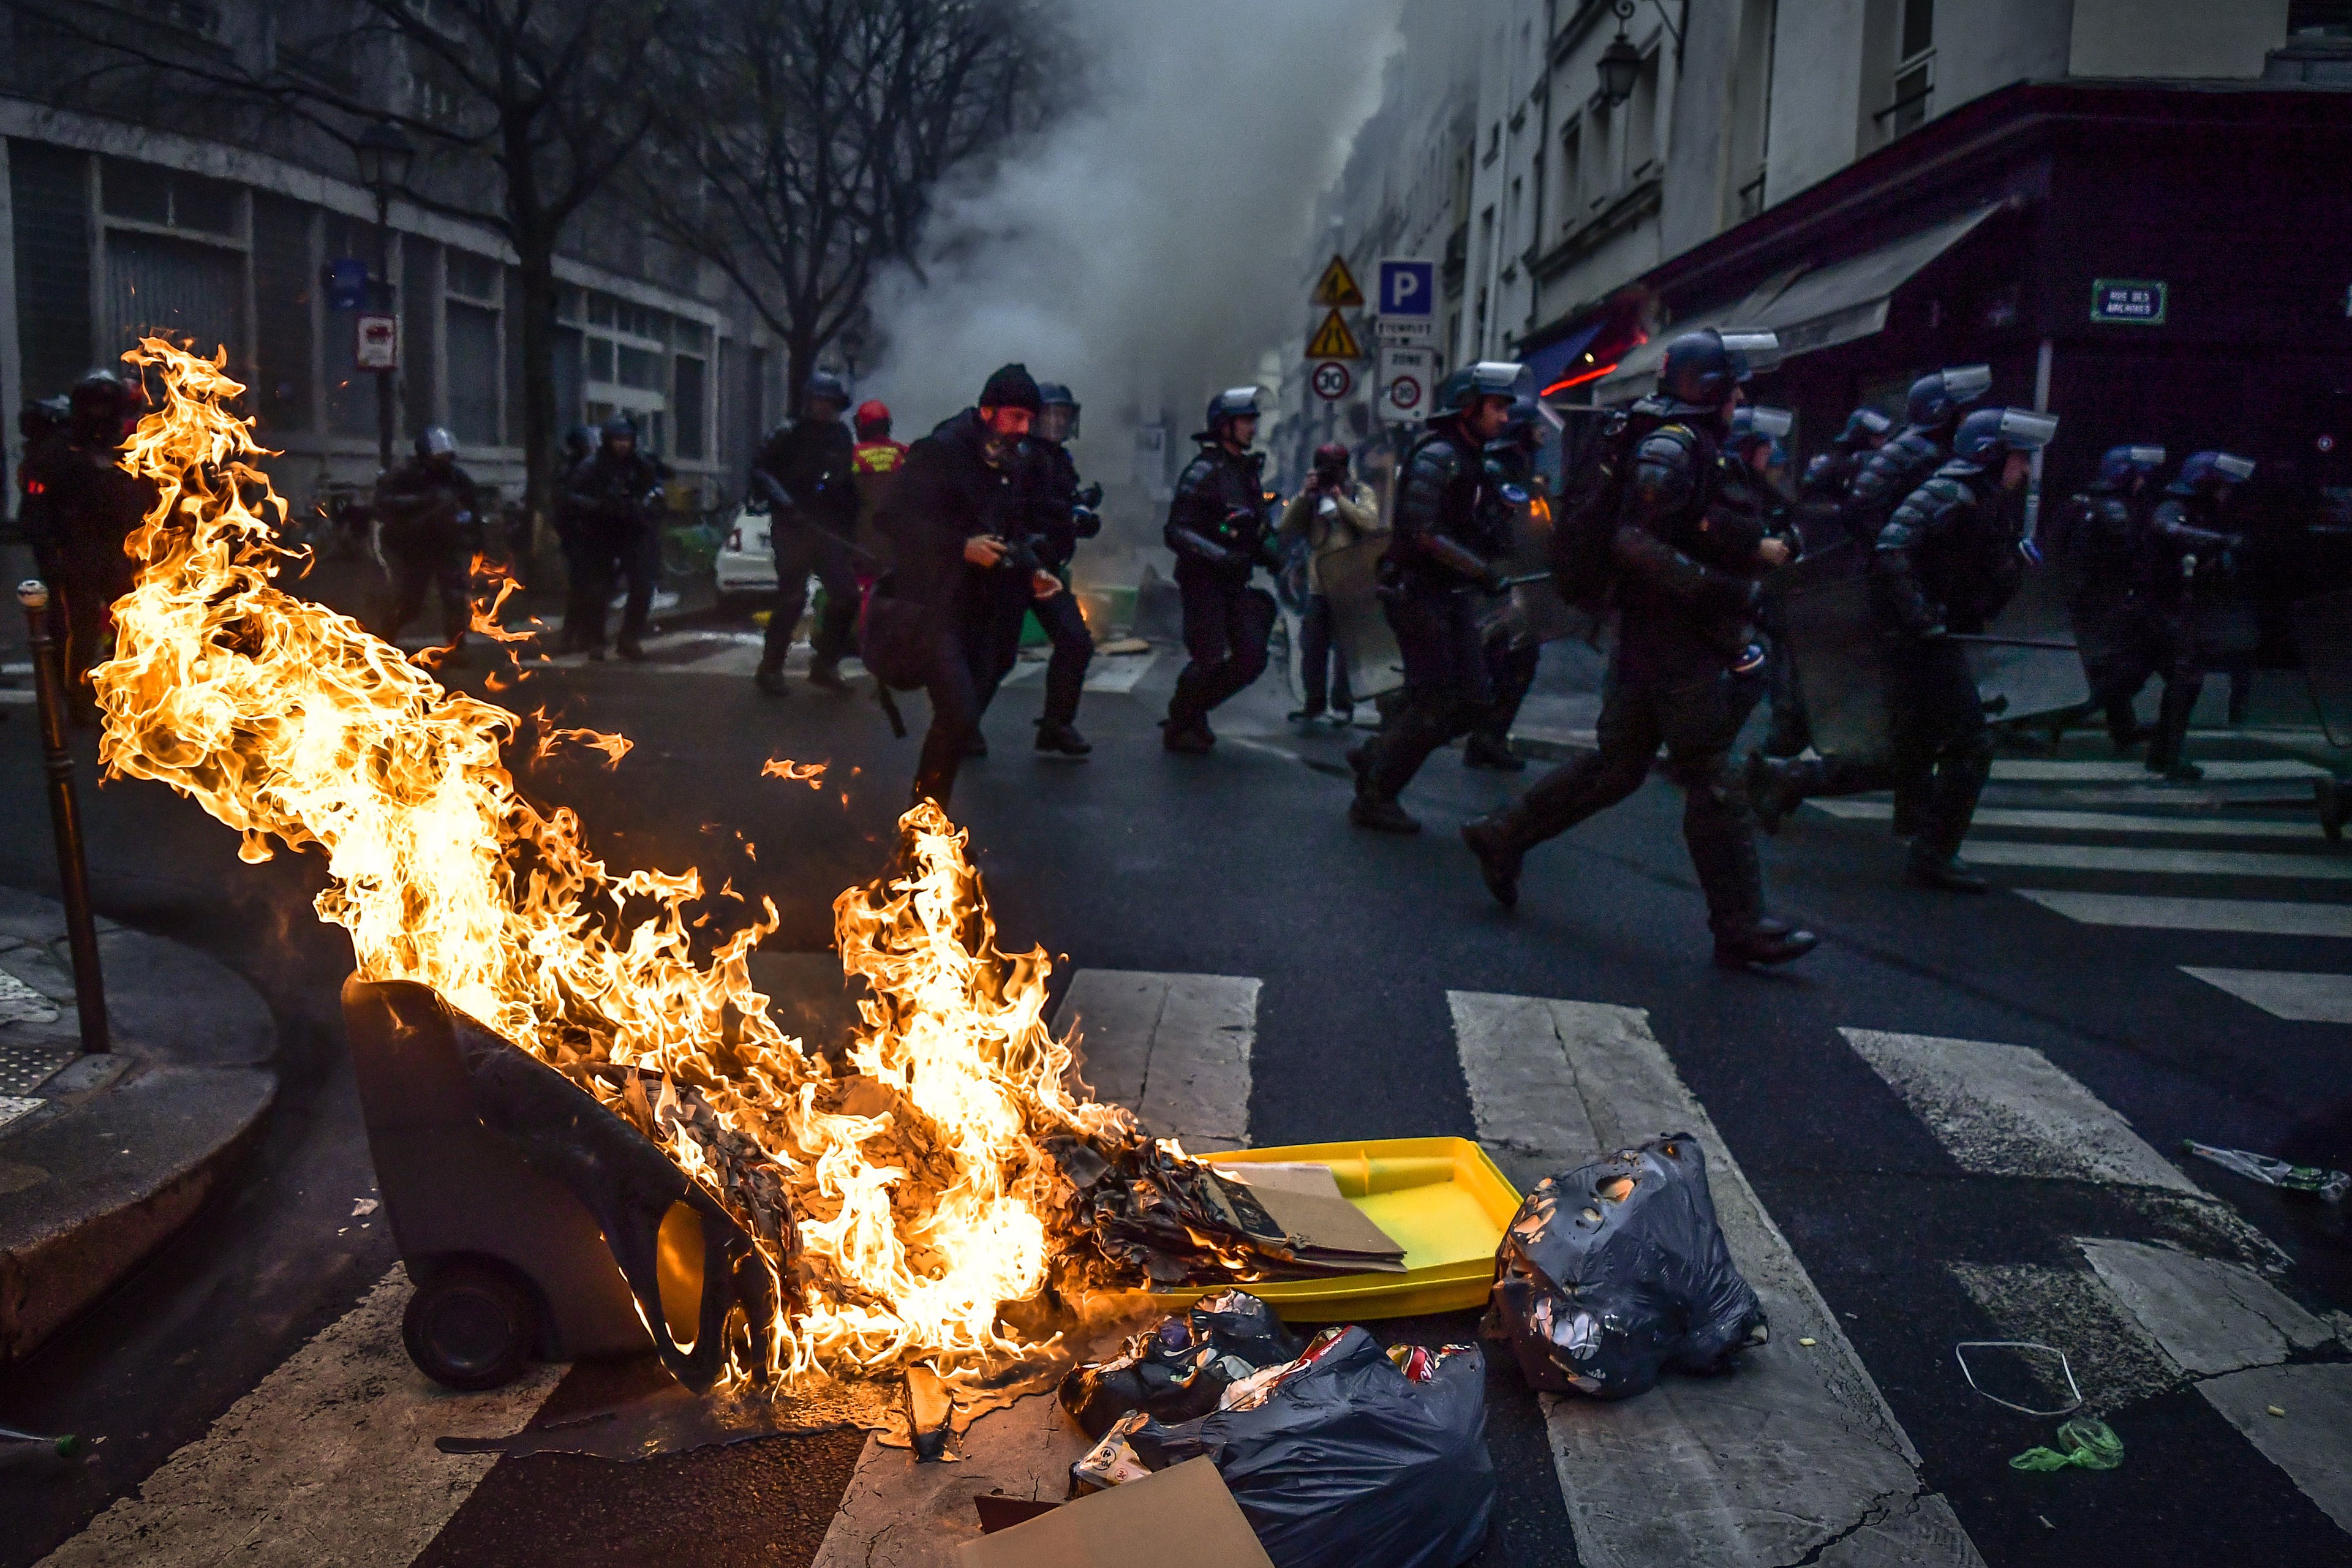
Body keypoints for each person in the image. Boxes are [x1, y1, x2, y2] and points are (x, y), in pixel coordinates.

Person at [1459, 329, 1817, 968]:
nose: (1740, 396)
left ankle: (1504, 833)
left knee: (1619, 765)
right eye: (1733, 384)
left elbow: (1691, 524)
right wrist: (1722, 589)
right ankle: (1739, 924)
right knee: (1712, 773)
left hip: (1653, 633)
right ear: (1709, 388)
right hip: (1673, 634)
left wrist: (1745, 549)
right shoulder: (1672, 444)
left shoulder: (1674, 437)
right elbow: (1635, 541)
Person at [1748, 406, 2059, 891]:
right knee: (1971, 745)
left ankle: (1794, 778)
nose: (2024, 469)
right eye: (2019, 458)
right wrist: (1920, 618)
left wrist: (2013, 565)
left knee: (1910, 751)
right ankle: (1933, 853)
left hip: (1934, 632)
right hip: (1920, 639)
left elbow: (1975, 576)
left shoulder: (1984, 498)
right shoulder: (1950, 492)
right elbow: (1893, 548)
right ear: (1991, 455)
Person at [1344, 363, 1524, 831]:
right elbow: (1424, 533)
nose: (1506, 418)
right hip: (1418, 594)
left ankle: (1377, 755)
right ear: (1469, 407)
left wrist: (1502, 525)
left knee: (1472, 701)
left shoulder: (1474, 460)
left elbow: (1474, 529)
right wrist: (1482, 570)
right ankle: (1377, 794)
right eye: (1498, 407)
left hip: (1451, 595)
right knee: (1437, 702)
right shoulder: (1438, 457)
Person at [878, 363, 1061, 806]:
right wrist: (960, 546)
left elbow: (1011, 528)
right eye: (1015, 418)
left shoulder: (1011, 462)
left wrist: (1033, 567)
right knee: (958, 712)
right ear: (986, 411)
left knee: (962, 716)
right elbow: (893, 519)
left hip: (984, 607)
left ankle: (928, 815)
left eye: (1029, 420)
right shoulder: (940, 452)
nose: (1024, 429)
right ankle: (923, 824)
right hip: (935, 605)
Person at [18, 369, 156, 696]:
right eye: (95, 408)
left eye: (109, 409)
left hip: (122, 552)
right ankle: (76, 696)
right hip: (75, 553)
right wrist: (49, 554)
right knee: (78, 629)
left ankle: (132, 693)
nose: (101, 417)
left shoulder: (131, 448)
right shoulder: (58, 450)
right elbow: (37, 506)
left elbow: (151, 497)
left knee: (133, 625)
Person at [1161, 388, 1280, 753]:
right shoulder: (1203, 471)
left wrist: (1269, 553)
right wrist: (1220, 555)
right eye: (1246, 421)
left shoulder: (1246, 472)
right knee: (1209, 656)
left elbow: (1253, 526)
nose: (1252, 428)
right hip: (1203, 581)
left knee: (1251, 657)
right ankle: (1183, 719)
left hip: (1235, 581)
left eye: (1253, 421)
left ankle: (1193, 710)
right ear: (1225, 426)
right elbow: (1176, 531)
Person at [2141, 450, 2256, 780]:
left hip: (2174, 610)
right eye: (2221, 485)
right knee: (2178, 681)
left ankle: (2163, 756)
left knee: (2175, 683)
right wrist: (2220, 543)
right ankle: (2166, 758)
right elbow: (2167, 530)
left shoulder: (2202, 511)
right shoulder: (2174, 507)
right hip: (2158, 610)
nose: (2226, 492)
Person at [748, 373, 861, 696]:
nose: (825, 409)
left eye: (831, 403)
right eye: (820, 402)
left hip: (826, 527)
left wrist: (849, 527)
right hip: (792, 526)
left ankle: (825, 665)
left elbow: (844, 482)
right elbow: (760, 471)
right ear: (809, 402)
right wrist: (787, 504)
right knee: (792, 599)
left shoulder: (840, 434)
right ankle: (770, 668)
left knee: (848, 597)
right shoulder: (786, 432)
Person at [1013, 382, 1104, 756]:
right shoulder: (1020, 456)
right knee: (994, 654)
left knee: (1076, 641)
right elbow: (1012, 511)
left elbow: (1058, 506)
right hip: (1013, 567)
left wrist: (1080, 512)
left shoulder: (1061, 460)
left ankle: (1056, 725)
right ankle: (959, 726)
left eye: (1064, 415)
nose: (1058, 421)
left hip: (1046, 571)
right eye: (1051, 413)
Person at [2057, 444, 2166, 753]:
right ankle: (2058, 719)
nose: (2143, 483)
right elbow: (2133, 558)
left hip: (2089, 599)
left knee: (2109, 670)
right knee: (2124, 671)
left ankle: (2123, 730)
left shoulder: (2082, 502)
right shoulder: (2116, 509)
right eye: (2139, 476)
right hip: (2111, 601)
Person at [1278, 442, 1382, 728]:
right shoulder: (1312, 497)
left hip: (1350, 584)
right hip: (1318, 586)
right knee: (1312, 648)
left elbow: (1371, 523)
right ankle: (1313, 703)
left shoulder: (1360, 493)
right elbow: (1286, 526)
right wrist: (1304, 495)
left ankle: (1342, 705)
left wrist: (1341, 501)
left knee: (1346, 652)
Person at [1841, 366, 1992, 551]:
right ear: (1942, 413)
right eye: (1962, 413)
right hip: (1896, 561)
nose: (1967, 421)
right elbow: (1859, 509)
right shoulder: (1915, 452)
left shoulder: (1937, 450)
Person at [562, 413, 668, 661]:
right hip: (601, 531)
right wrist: (598, 506)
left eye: (627, 439)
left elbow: (655, 491)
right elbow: (569, 496)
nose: (622, 444)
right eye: (618, 439)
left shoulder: (640, 465)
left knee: (643, 585)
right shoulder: (591, 466)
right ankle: (596, 640)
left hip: (633, 529)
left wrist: (648, 507)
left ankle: (629, 639)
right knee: (597, 589)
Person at [372, 426, 481, 665]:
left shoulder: (457, 478)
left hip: (447, 545)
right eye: (438, 458)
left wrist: (467, 527)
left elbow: (473, 508)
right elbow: (385, 502)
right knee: (412, 601)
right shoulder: (406, 476)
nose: (443, 462)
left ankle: (457, 647)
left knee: (455, 598)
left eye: (447, 457)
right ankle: (385, 640)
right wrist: (425, 502)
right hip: (415, 546)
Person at [552, 423, 598, 652]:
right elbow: (566, 502)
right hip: (578, 535)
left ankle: (581, 634)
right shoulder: (571, 471)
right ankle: (575, 635)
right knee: (582, 587)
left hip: (589, 534)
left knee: (589, 587)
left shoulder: (586, 468)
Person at [1800, 406, 1893, 516]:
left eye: (1884, 436)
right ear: (1861, 434)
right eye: (1877, 436)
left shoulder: (1884, 461)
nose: (1883, 440)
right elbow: (1812, 504)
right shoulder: (1831, 463)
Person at [850, 399, 908, 568]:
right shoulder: (906, 453)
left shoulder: (851, 456)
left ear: (861, 427)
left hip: (861, 551)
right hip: (900, 553)